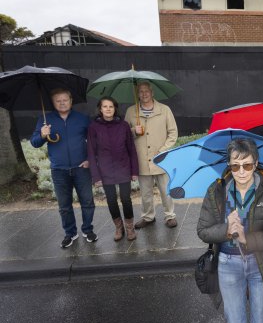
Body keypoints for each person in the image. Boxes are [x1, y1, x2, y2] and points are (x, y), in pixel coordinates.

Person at [197, 138, 263, 323]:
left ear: (256, 164)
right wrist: (226, 229)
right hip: (228, 264)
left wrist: (247, 238)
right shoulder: (216, 191)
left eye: (247, 165)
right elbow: (203, 231)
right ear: (229, 165)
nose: (242, 172)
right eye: (235, 166)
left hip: (260, 263)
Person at [30, 88, 97, 248]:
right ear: (53, 103)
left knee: (87, 202)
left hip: (81, 168)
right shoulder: (45, 120)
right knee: (64, 206)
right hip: (59, 170)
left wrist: (89, 159)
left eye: (65, 100)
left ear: (71, 101)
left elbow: (95, 141)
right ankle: (70, 233)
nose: (62, 103)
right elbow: (34, 142)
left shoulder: (82, 119)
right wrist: (42, 135)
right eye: (58, 100)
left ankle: (87, 230)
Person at [124, 81, 178, 229]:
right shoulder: (131, 112)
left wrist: (163, 149)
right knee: (145, 193)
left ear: (152, 92)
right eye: (140, 91)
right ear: (137, 94)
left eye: (146, 91)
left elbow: (173, 133)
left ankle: (170, 216)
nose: (144, 94)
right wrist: (134, 131)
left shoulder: (165, 109)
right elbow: (124, 134)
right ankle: (148, 217)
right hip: (141, 159)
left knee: (165, 190)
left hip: (161, 159)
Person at [88, 96, 139, 241]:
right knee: (111, 200)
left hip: (123, 167)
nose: (108, 109)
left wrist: (134, 170)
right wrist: (96, 176)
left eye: (111, 106)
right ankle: (119, 227)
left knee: (125, 198)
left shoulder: (123, 126)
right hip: (105, 170)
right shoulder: (94, 127)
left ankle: (130, 227)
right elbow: (91, 152)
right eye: (105, 106)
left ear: (115, 108)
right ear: (100, 109)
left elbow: (131, 149)